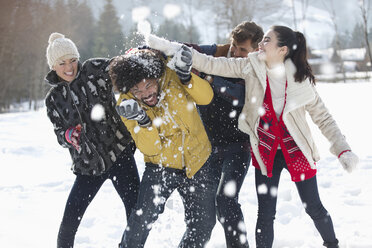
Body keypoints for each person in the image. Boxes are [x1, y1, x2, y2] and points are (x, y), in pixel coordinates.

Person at [146, 25, 359, 248]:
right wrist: (169, 47)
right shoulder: (251, 65)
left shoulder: (300, 81)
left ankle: (332, 244)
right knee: (266, 214)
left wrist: (342, 149)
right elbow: (212, 63)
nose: (261, 44)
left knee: (313, 206)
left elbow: (323, 118)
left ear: (282, 50)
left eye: (267, 40)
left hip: (297, 151)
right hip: (266, 152)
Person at [109, 48, 220, 248]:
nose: (145, 94)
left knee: (203, 225)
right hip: (160, 165)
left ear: (156, 76)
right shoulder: (127, 104)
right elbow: (150, 149)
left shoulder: (173, 75)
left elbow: (206, 98)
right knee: (140, 223)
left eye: (149, 86)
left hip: (198, 160)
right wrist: (143, 121)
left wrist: (187, 78)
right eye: (137, 91)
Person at [44, 32, 140, 248]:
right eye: (62, 63)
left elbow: (122, 67)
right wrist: (70, 136)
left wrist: (137, 54)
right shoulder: (54, 100)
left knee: (136, 213)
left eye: (72, 60)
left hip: (119, 153)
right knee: (70, 220)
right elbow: (60, 134)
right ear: (53, 66)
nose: (69, 67)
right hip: (87, 165)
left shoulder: (94, 70)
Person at [186, 21, 263, 248]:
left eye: (243, 50)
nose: (235, 54)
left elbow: (237, 95)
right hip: (207, 148)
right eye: (234, 46)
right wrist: (156, 48)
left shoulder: (255, 69)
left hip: (238, 146)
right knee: (202, 211)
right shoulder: (217, 52)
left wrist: (207, 76)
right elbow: (188, 48)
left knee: (226, 201)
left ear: (255, 51)